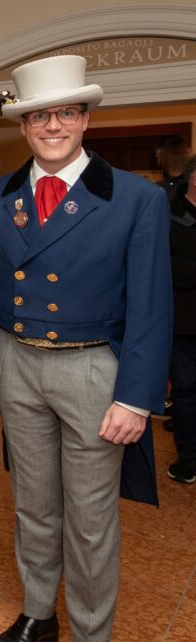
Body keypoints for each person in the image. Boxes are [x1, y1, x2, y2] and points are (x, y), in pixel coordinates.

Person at [0, 55, 172, 642]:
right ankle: (38, 613)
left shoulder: (135, 198)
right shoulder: (0, 193)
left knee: (91, 520)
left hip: (93, 371)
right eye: (40, 114)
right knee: (34, 507)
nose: (53, 125)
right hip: (18, 363)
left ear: (86, 119)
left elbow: (153, 305)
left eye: (65, 112)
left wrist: (137, 398)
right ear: (24, 124)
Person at [167, 155, 196, 483]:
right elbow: (165, 267)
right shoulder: (168, 214)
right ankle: (188, 453)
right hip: (183, 321)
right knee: (186, 390)